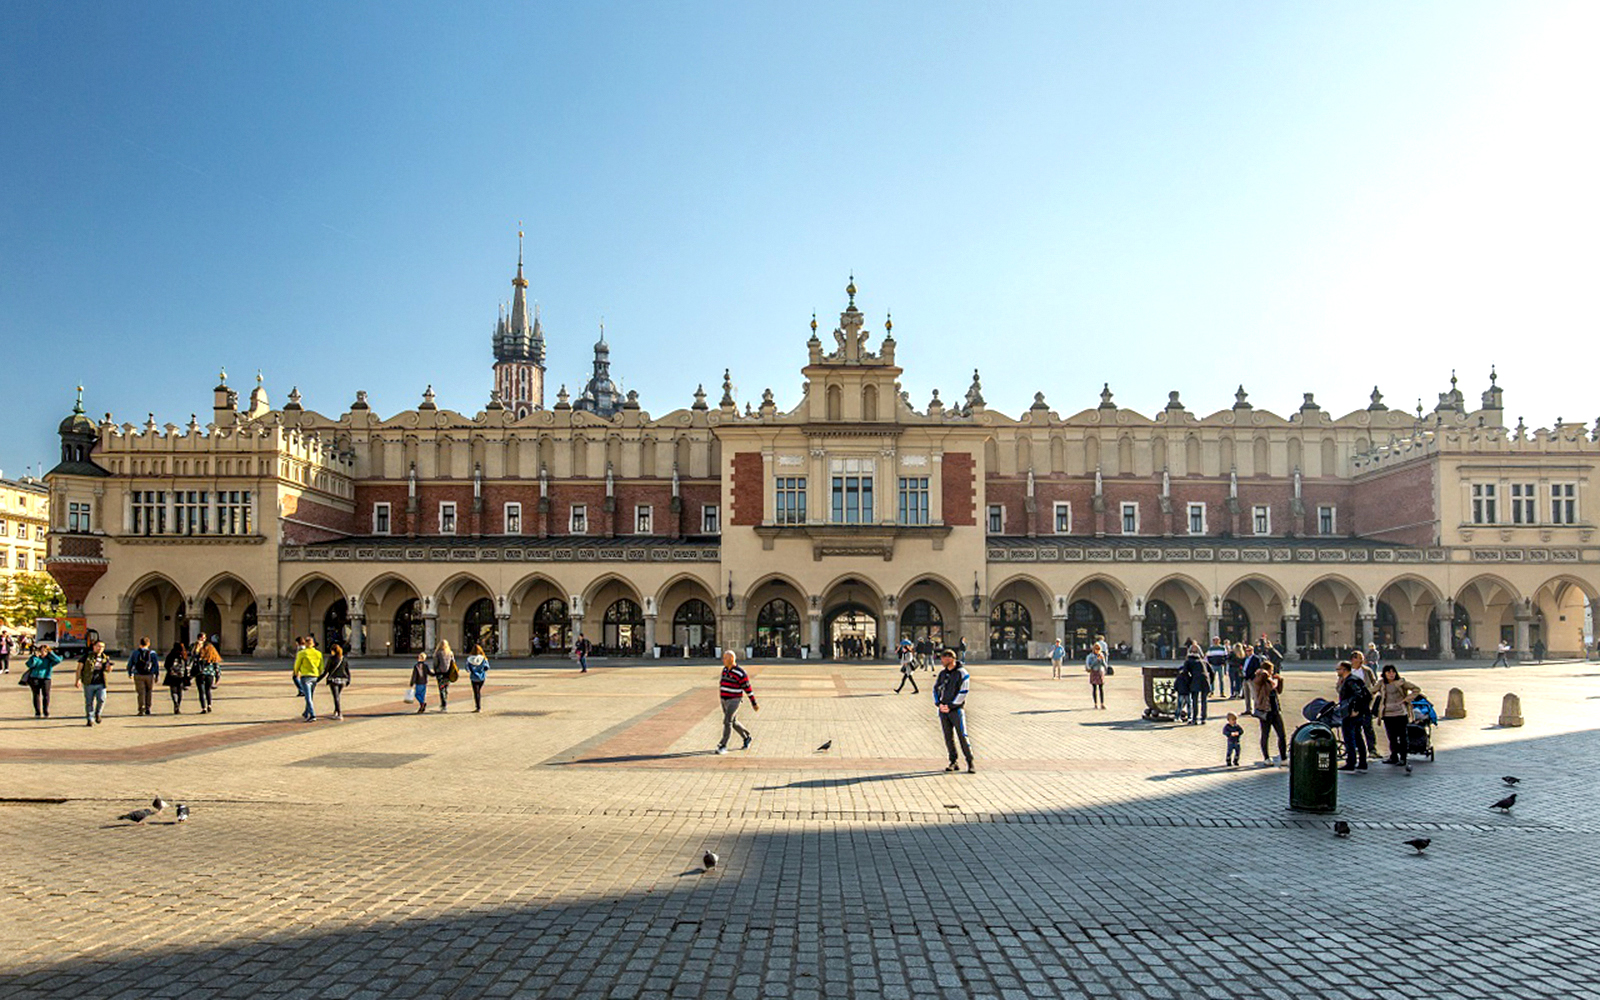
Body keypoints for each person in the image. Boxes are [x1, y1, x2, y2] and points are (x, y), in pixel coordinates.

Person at [933, 648, 974, 773]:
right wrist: (939, 703)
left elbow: (963, 691)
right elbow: (936, 689)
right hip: (943, 710)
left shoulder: (962, 673)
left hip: (956, 710)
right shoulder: (942, 674)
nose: (941, 661)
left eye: (943, 658)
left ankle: (970, 761)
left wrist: (951, 705)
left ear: (950, 658)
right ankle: (953, 761)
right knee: (948, 737)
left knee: (962, 735)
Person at [1374, 665, 1422, 766]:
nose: (1391, 674)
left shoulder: (1401, 682)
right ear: (1384, 674)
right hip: (1387, 713)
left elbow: (1416, 689)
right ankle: (1394, 756)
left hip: (1400, 713)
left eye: (1393, 672)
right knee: (1392, 737)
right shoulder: (1382, 683)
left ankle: (1403, 758)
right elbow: (1372, 691)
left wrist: (1406, 700)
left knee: (1403, 736)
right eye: (1388, 672)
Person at [716, 650, 757, 754]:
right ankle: (746, 737)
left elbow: (748, 688)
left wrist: (754, 703)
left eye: (725, 658)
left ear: (731, 659)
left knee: (727, 721)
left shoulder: (740, 673)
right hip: (724, 699)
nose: (723, 660)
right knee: (733, 722)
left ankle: (723, 745)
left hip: (734, 700)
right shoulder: (725, 670)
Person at [1335, 661, 1370, 771]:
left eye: (1338, 669)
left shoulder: (1350, 681)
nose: (1337, 671)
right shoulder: (1351, 679)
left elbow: (1358, 695)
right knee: (1358, 737)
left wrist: (1355, 709)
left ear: (1344, 670)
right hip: (1354, 712)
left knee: (1349, 737)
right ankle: (1362, 762)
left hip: (1351, 713)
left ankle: (1351, 762)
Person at [1253, 663, 1287, 766]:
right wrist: (1263, 672)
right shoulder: (1260, 679)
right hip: (1265, 710)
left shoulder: (1271, 681)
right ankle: (1266, 758)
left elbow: (1279, 691)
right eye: (1271, 670)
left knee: (1282, 734)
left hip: (1275, 710)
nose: (1272, 672)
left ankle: (1284, 758)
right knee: (1265, 734)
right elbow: (1262, 676)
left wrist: (1280, 680)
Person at [75, 640, 113, 726]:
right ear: (94, 647)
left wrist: (109, 668)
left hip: (101, 683)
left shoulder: (105, 658)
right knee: (89, 702)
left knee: (102, 699)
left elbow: (108, 670)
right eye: (98, 646)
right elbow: (79, 669)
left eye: (102, 647)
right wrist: (78, 680)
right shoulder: (87, 657)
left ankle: (98, 713)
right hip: (89, 683)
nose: (100, 648)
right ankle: (90, 718)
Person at [1349, 650, 1380, 758]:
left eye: (1362, 658)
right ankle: (1357, 749)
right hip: (1352, 704)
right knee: (1354, 728)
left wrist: (1370, 693)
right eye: (1359, 658)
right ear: (1353, 659)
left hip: (1366, 702)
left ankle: (1372, 749)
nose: (1362, 660)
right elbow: (1340, 686)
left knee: (1368, 727)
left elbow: (1375, 683)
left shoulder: (1367, 671)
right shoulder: (1347, 671)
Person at [23, 642, 61, 718]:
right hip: (35, 678)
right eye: (42, 651)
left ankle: (45, 711)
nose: (43, 653)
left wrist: (51, 652)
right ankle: (37, 712)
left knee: (46, 695)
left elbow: (58, 660)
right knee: (36, 695)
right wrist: (34, 657)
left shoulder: (49, 659)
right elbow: (29, 664)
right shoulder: (36, 658)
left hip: (46, 678)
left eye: (45, 651)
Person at [292, 635, 324, 721]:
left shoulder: (302, 653)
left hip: (305, 676)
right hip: (315, 676)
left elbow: (297, 664)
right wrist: (319, 674)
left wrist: (296, 672)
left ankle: (312, 715)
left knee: (308, 697)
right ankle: (306, 712)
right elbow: (321, 666)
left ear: (306, 644)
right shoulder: (318, 653)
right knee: (310, 695)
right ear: (313, 644)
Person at [126, 636, 161, 716]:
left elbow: (130, 664)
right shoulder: (152, 653)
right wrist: (156, 674)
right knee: (149, 691)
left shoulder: (135, 653)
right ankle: (148, 707)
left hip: (138, 674)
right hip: (149, 675)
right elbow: (156, 665)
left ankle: (141, 708)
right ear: (148, 644)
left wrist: (130, 673)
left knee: (141, 692)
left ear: (140, 644)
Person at [322, 642, 350, 720]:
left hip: (334, 680)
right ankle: (336, 711)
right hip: (343, 680)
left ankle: (339, 713)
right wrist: (348, 680)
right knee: (337, 696)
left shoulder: (331, 659)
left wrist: (318, 679)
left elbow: (326, 670)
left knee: (336, 697)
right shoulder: (343, 659)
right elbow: (347, 670)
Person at [162, 640, 191, 714]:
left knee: (173, 691)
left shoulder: (171, 655)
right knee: (180, 691)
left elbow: (166, 665)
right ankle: (178, 704)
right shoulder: (184, 655)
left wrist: (169, 670)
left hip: (172, 675)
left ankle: (175, 703)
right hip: (181, 676)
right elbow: (187, 666)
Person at [193, 639, 222, 713]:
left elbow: (194, 658)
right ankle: (209, 705)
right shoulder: (213, 657)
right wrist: (217, 677)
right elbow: (217, 668)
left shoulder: (200, 655)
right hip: (210, 675)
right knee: (208, 690)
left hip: (200, 674)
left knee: (201, 692)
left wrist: (197, 647)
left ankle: (203, 707)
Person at [1185, 644, 1211, 724]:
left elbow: (1185, 672)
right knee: (1204, 700)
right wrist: (1210, 681)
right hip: (1205, 681)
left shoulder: (1189, 661)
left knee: (1195, 700)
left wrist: (1189, 682)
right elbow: (1211, 672)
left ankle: (1194, 718)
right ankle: (1203, 718)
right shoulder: (1204, 662)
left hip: (1195, 681)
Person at [433, 639, 457, 711]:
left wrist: (435, 670)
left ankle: (443, 704)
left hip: (440, 673)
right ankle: (445, 701)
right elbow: (453, 662)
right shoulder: (450, 653)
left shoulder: (438, 653)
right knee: (446, 688)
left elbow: (435, 663)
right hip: (448, 673)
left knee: (441, 689)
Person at [465, 643, 489, 712]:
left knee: (476, 692)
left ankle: (478, 707)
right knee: (478, 691)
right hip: (482, 677)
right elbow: (487, 667)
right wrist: (481, 670)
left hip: (473, 677)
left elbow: (467, 668)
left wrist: (472, 670)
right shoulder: (483, 658)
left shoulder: (469, 659)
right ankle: (478, 707)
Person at [1084, 644, 1107, 709]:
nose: (1097, 651)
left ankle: (1102, 703)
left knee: (1101, 688)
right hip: (1094, 672)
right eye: (1096, 649)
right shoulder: (1090, 656)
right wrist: (1096, 660)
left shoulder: (1101, 655)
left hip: (1100, 672)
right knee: (1094, 688)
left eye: (1099, 649)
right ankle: (1095, 703)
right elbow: (1090, 665)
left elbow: (1105, 664)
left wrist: (1102, 660)